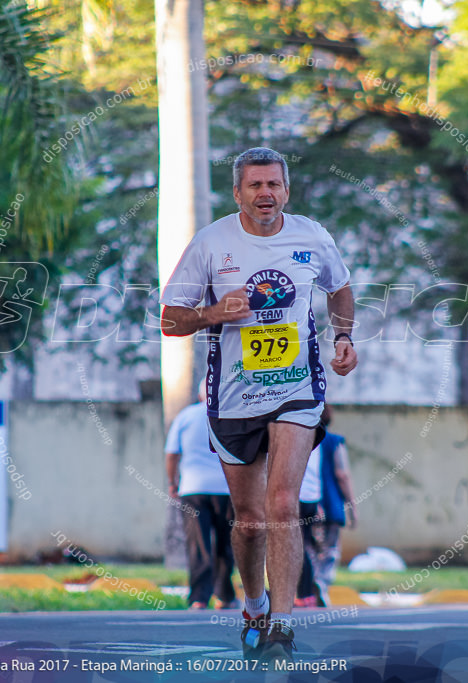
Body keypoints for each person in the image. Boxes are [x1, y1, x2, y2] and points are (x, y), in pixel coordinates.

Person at [160, 147, 357, 662]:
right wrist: (212, 313)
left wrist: (343, 338)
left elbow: (340, 289)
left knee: (283, 505)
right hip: (233, 396)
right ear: (238, 193)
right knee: (248, 520)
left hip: (297, 386)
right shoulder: (212, 243)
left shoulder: (312, 236)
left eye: (274, 185)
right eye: (255, 186)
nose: (265, 194)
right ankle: (254, 606)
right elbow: (169, 319)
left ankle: (284, 625)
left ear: (286, 191)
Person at [165, 382, 237, 610]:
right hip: (227, 490)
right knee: (227, 545)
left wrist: (173, 482)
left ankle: (198, 598)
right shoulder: (231, 415)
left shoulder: (185, 416)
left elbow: (172, 454)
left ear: (199, 394)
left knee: (198, 546)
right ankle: (225, 596)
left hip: (193, 490)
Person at [314, 406, 356, 606]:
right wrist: (353, 507)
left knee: (309, 548)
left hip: (308, 505)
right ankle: (321, 586)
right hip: (331, 504)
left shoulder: (299, 441)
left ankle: (306, 587)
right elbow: (342, 474)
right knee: (329, 550)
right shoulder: (334, 442)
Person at [295, 445, 323, 607]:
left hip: (295, 495)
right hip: (311, 496)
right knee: (302, 544)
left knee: (293, 546)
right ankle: (305, 593)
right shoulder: (313, 426)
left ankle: (302, 592)